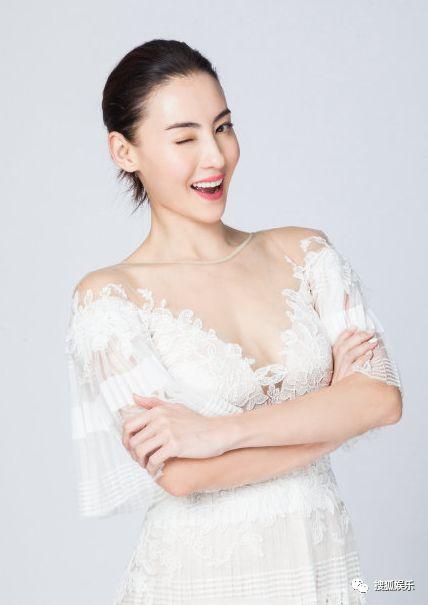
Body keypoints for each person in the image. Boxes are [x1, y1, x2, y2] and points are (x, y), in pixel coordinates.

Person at [65, 39, 403, 605]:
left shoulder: (306, 253)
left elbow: (382, 400)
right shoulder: (110, 297)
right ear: (124, 151)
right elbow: (182, 476)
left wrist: (218, 434)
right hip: (196, 580)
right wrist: (332, 409)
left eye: (223, 127)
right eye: (185, 139)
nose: (215, 157)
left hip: (321, 567)